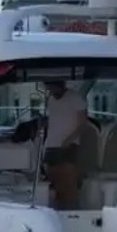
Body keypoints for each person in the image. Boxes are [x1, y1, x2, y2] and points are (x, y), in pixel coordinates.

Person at [39, 79, 90, 209]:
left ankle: (72, 211)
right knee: (54, 184)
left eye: (51, 87)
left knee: (69, 184)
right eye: (48, 88)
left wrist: (68, 140)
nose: (50, 90)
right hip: (51, 145)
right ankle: (57, 210)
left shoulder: (75, 98)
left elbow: (83, 124)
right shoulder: (50, 99)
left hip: (69, 146)